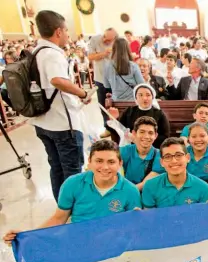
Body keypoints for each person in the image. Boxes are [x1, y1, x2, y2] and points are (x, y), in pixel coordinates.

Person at [3, 140, 141, 245]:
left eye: (111, 162)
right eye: (99, 161)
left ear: (120, 163)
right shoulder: (72, 184)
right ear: (90, 162)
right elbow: (59, 218)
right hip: (78, 243)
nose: (105, 167)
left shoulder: (130, 191)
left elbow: (132, 228)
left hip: (113, 244)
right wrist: (27, 236)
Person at [30, 10, 90, 201]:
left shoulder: (36, 51)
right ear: (58, 32)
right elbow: (57, 80)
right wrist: (82, 93)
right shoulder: (53, 54)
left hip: (43, 121)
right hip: (62, 124)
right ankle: (72, 209)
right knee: (72, 170)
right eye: (66, 31)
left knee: (56, 167)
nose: (67, 35)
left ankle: (61, 205)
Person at [142, 137, 208, 208]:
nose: (174, 161)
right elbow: (149, 217)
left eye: (178, 155)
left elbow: (202, 216)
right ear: (161, 162)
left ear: (188, 158)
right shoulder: (150, 186)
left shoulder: (202, 187)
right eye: (167, 157)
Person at [107, 84, 170, 148]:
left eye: (148, 95)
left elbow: (165, 136)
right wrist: (113, 119)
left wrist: (145, 140)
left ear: (152, 97)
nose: (145, 98)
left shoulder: (159, 114)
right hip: (131, 148)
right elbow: (119, 131)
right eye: (140, 95)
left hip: (152, 148)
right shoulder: (129, 111)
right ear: (136, 97)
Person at [120, 116, 165, 191]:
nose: (146, 136)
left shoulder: (160, 155)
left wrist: (127, 193)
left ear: (155, 136)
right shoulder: (125, 151)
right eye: (142, 132)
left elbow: (145, 184)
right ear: (134, 133)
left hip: (148, 196)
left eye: (150, 133)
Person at [88, 28, 117, 123]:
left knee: (115, 104)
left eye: (108, 40)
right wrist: (105, 53)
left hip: (114, 79)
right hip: (100, 78)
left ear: (114, 39)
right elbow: (90, 57)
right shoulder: (95, 40)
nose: (104, 40)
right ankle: (107, 126)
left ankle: (117, 127)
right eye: (104, 36)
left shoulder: (117, 43)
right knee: (102, 104)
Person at [184, 122, 208, 187]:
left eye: (202, 136)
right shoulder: (184, 153)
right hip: (187, 186)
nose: (198, 140)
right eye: (194, 136)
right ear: (189, 138)